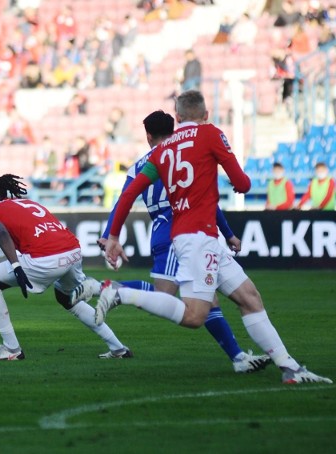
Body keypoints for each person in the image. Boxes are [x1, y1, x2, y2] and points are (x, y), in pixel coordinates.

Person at [95, 90, 331, 384]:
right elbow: (243, 183)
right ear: (205, 115)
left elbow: (129, 193)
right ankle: (121, 293)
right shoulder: (210, 134)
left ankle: (290, 369)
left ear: (178, 117)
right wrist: (237, 185)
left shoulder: (160, 152)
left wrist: (113, 235)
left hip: (195, 235)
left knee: (249, 297)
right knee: (195, 315)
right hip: (198, 238)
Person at [74, 110, 270, 374]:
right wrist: (228, 232)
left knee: (207, 299)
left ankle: (238, 359)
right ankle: (105, 288)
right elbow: (205, 202)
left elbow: (125, 198)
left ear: (148, 136)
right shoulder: (181, 154)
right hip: (180, 227)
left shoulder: (140, 164)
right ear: (175, 129)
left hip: (162, 229)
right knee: (167, 294)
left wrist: (111, 234)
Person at [0, 174, 133, 360]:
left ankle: (12, 350)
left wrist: (16, 266)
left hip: (45, 259)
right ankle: (118, 348)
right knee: (67, 299)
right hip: (73, 251)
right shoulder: (29, 203)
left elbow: (1, 233)